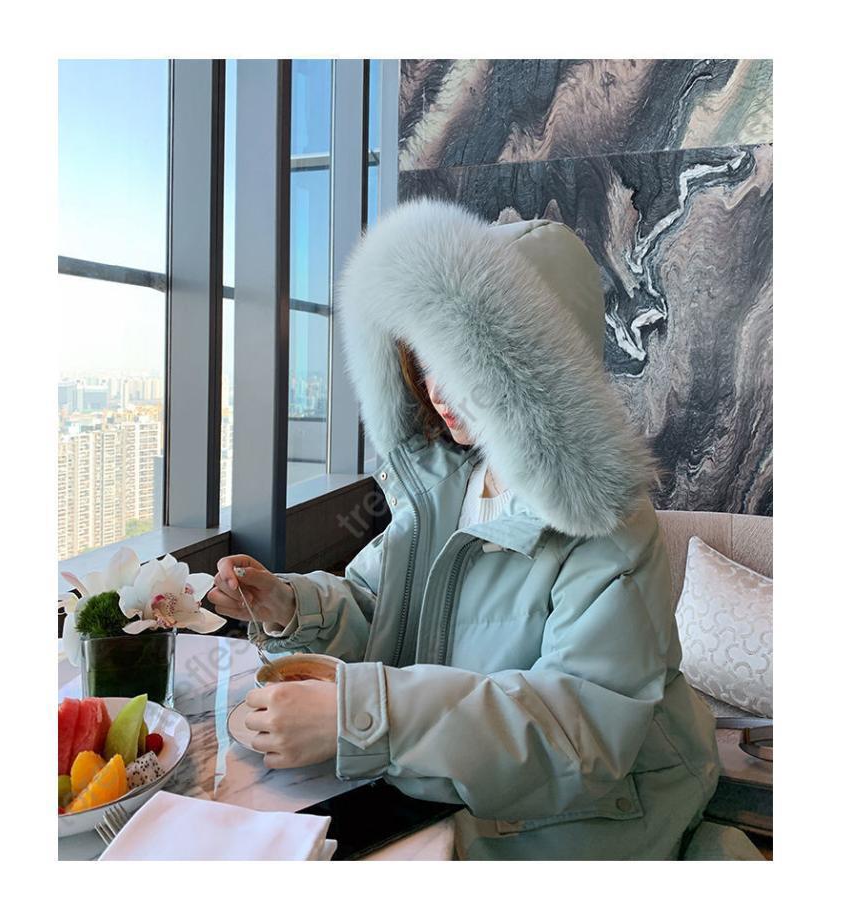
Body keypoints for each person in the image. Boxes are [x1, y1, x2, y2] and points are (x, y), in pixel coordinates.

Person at [208, 198, 721, 860]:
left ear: (533, 370)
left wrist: (360, 718)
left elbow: (582, 733)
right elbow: (376, 607)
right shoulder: (446, 485)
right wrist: (289, 603)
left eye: (462, 365)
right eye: (424, 360)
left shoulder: (612, 528)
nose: (437, 390)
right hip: (442, 796)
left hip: (585, 826)